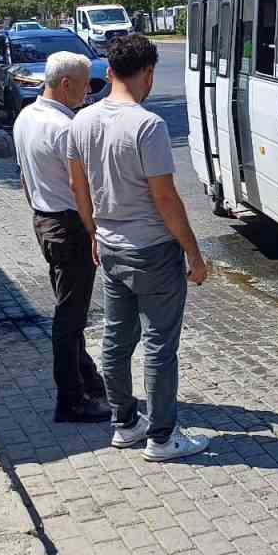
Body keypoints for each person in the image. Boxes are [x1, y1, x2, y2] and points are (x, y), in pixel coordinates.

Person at [67, 34, 211, 461]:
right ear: (148, 72)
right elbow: (166, 199)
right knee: (160, 345)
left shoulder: (82, 121)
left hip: (109, 245)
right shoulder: (148, 126)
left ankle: (126, 424)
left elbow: (79, 187)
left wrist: (94, 233)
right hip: (152, 251)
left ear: (110, 71)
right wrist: (194, 254)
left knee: (116, 339)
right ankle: (163, 437)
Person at [14, 51, 109, 423]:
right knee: (69, 317)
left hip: (45, 220)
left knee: (70, 310)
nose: (90, 92)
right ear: (66, 84)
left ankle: (88, 380)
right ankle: (71, 398)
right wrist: (94, 233)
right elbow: (82, 187)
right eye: (86, 85)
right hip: (69, 226)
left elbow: (23, 177)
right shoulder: (65, 128)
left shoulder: (27, 117)